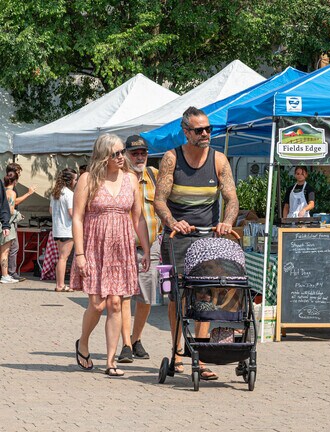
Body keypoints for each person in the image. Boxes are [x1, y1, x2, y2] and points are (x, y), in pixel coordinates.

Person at [154, 106, 239, 381]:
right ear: (186, 131)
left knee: (207, 293)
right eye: (199, 130)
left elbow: (232, 198)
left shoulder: (219, 160)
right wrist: (172, 222)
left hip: (207, 236)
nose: (205, 134)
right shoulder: (171, 159)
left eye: (208, 129)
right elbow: (159, 200)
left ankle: (200, 355)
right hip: (178, 236)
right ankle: (178, 352)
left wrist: (227, 221)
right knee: (177, 295)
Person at [71, 134, 150, 377]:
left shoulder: (130, 180)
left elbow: (137, 217)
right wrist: (80, 253)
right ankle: (83, 342)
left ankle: (110, 361)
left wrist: (145, 248)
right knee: (97, 303)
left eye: (121, 152)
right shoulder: (88, 179)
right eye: (115, 153)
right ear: (104, 155)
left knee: (116, 302)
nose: (120, 157)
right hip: (95, 246)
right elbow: (77, 217)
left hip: (121, 248)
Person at [117, 135, 162, 363]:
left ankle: (136, 338)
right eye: (135, 153)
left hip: (151, 246)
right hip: (123, 245)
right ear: (125, 154)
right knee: (125, 295)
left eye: (143, 152)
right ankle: (125, 344)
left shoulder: (154, 175)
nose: (139, 157)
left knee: (145, 296)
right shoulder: (120, 178)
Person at [49, 168, 77, 292]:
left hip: (57, 229)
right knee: (63, 258)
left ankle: (59, 283)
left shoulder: (55, 192)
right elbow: (72, 213)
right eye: (75, 179)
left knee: (61, 257)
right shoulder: (70, 194)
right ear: (70, 180)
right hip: (67, 229)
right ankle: (60, 285)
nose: (76, 182)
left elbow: (50, 210)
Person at [5, 163, 35, 281]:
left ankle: (8, 272)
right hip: (9, 221)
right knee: (13, 247)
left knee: (9, 248)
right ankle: (10, 273)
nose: (20, 174)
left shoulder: (8, 185)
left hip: (8, 220)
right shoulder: (10, 188)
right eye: (19, 171)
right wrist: (28, 193)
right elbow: (13, 203)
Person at [0, 172, 20, 283]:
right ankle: (5, 274)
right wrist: (18, 215)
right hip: (6, 223)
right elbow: (10, 210)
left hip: (4, 222)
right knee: (5, 251)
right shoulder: (11, 193)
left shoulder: (3, 189)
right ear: (15, 181)